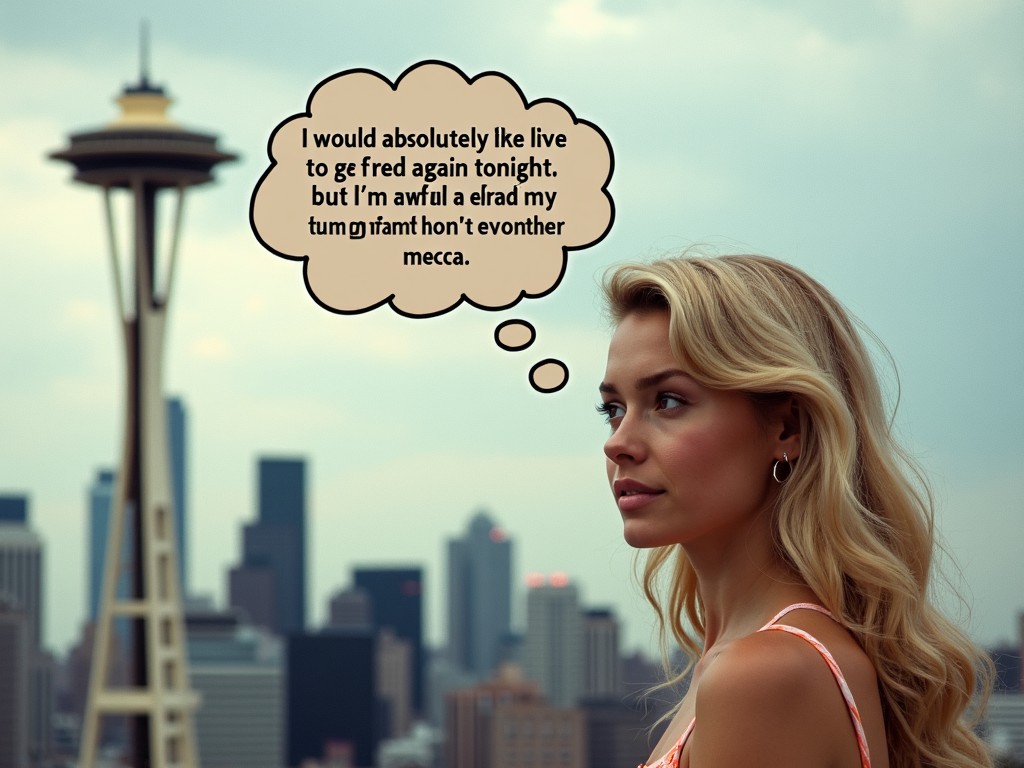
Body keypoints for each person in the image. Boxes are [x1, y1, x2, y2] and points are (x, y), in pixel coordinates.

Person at [598, 254, 992, 768]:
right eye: (612, 409)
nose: (619, 443)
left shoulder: (762, 675)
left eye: (668, 401)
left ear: (787, 428)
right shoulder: (750, 660)